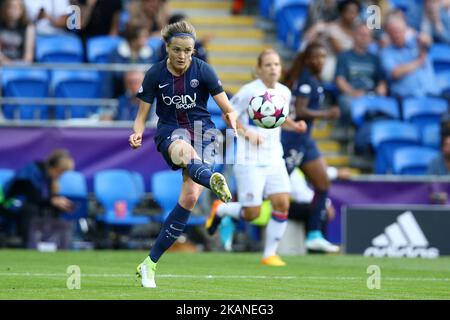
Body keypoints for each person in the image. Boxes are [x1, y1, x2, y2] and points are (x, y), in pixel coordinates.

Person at [130, 20, 238, 288]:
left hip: (204, 133)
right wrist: (137, 132)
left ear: (193, 51)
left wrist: (233, 121)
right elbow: (142, 114)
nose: (182, 56)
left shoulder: (204, 71)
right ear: (167, 48)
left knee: (189, 198)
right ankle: (211, 178)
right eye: (177, 49)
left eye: (187, 50)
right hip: (171, 133)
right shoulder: (155, 74)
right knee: (183, 149)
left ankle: (149, 264)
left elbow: (227, 107)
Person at [204, 49, 307, 266]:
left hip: (274, 157)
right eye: (268, 65)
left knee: (282, 203)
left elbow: (279, 117)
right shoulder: (249, 91)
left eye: (276, 64)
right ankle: (221, 209)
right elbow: (228, 114)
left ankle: (269, 254)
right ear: (259, 69)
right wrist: (247, 132)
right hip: (249, 159)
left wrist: (294, 125)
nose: (273, 69)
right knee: (252, 213)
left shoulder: (285, 92)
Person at [281, 41, 340, 253]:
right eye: (316, 57)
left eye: (323, 57)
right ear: (307, 59)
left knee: (323, 183)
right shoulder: (306, 79)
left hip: (305, 141)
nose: (320, 61)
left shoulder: (312, 78)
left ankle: (314, 234)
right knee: (270, 189)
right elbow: (302, 110)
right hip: (292, 140)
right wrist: (327, 114)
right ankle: (229, 212)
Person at [0, 149, 75, 248]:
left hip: (29, 203)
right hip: (10, 203)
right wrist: (53, 201)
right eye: (61, 171)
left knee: (55, 208)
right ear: (54, 167)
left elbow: (45, 198)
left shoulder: (49, 179)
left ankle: (53, 243)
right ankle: (28, 243)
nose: (61, 175)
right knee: (30, 209)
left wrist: (58, 200)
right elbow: (32, 197)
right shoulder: (32, 171)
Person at [335, 24, 387, 127]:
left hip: (371, 95)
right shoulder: (344, 56)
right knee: (347, 104)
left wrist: (381, 89)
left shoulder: (375, 58)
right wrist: (353, 92)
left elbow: (382, 81)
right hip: (351, 96)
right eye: (361, 34)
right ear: (354, 35)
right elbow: (339, 80)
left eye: (367, 35)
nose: (364, 37)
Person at [380, 16, 439, 99]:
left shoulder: (416, 43)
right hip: (407, 98)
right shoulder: (386, 52)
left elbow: (427, 41)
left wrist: (416, 34)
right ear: (388, 34)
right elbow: (395, 73)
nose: (396, 34)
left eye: (399, 30)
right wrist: (418, 62)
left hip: (431, 94)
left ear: (406, 30)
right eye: (393, 31)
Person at [103, 23, 155, 98]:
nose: (147, 39)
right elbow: (113, 76)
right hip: (121, 91)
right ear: (134, 38)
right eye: (144, 36)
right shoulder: (116, 52)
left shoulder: (151, 52)